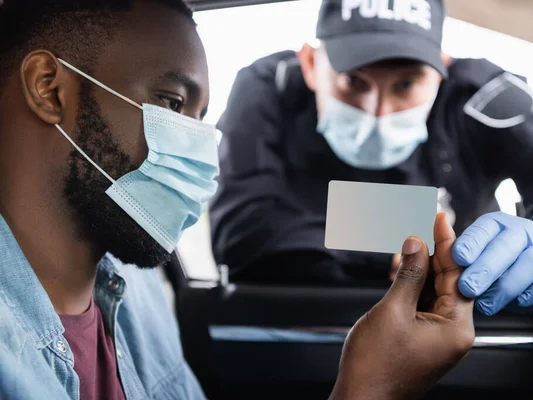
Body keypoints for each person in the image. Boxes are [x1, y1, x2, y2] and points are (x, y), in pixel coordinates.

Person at [0, 0, 475, 399]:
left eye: (200, 116)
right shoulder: (266, 87)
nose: (199, 145)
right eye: (171, 103)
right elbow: (250, 229)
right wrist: (367, 388)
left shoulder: (135, 291)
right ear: (49, 87)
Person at [210, 0, 533, 316]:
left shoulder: (481, 94)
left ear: (442, 71)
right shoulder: (269, 87)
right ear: (311, 64)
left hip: (456, 311)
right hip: (306, 315)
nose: (378, 111)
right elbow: (243, 228)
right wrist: (401, 250)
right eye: (353, 82)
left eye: (407, 84)